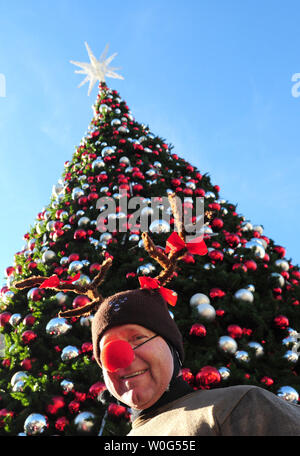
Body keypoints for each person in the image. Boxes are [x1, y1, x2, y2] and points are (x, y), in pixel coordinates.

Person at [91, 287, 300, 436]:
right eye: (108, 350)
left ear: (171, 346)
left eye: (138, 338)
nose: (123, 357)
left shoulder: (240, 405)